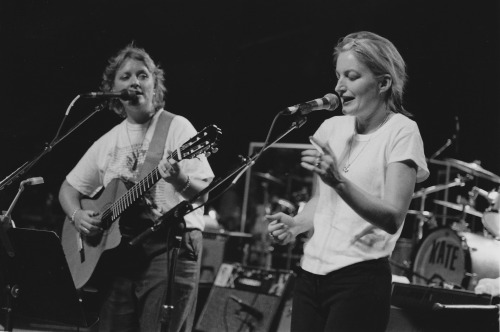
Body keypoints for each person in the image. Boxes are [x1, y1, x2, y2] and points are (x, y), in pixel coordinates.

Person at [266, 31, 429, 332]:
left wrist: (339, 181)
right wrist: (297, 223)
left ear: (383, 83)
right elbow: (321, 202)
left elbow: (393, 217)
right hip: (310, 274)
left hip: (359, 279)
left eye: (352, 76)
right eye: (338, 75)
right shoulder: (331, 128)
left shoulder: (402, 132)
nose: (339, 87)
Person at [58, 44, 214, 332]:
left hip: (168, 247)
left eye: (143, 75)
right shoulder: (107, 141)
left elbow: (204, 193)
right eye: (126, 76)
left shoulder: (177, 128)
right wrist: (77, 216)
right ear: (112, 88)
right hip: (119, 256)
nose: (134, 82)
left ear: (155, 84)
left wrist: (178, 179)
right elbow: (68, 189)